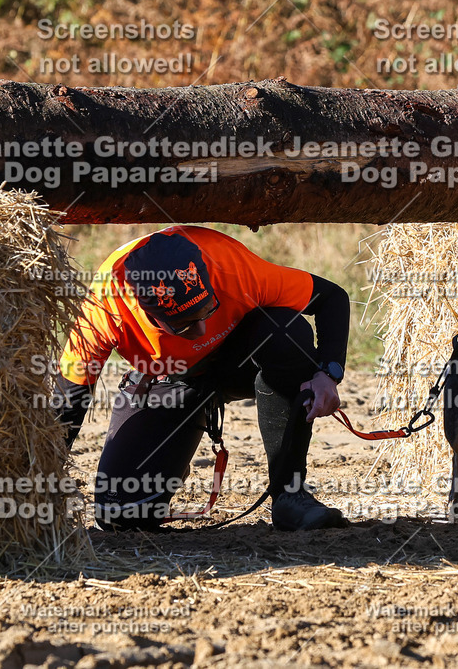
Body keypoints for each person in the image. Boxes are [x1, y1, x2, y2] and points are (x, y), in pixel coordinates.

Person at [53, 225, 351, 531]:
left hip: (239, 359)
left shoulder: (230, 266)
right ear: (146, 312)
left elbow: (331, 298)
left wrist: (329, 373)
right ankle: (173, 448)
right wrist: (39, 482)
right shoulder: (104, 306)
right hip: (170, 378)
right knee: (122, 516)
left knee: (287, 332)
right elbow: (69, 401)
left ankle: (290, 495)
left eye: (206, 311)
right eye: (182, 325)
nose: (200, 332)